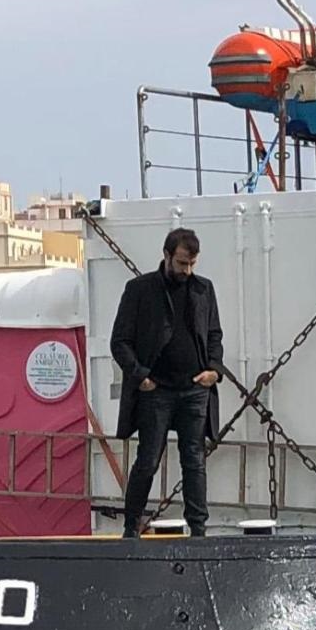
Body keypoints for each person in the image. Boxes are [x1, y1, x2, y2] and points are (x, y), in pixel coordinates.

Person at [109, 227, 223, 536]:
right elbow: (119, 341)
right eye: (182, 263)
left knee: (194, 461)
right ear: (167, 255)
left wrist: (214, 371)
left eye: (192, 264)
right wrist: (140, 376)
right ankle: (131, 527)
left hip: (195, 389)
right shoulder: (140, 289)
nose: (187, 271)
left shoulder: (203, 289)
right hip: (155, 390)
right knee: (148, 461)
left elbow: (214, 335)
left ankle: (198, 530)